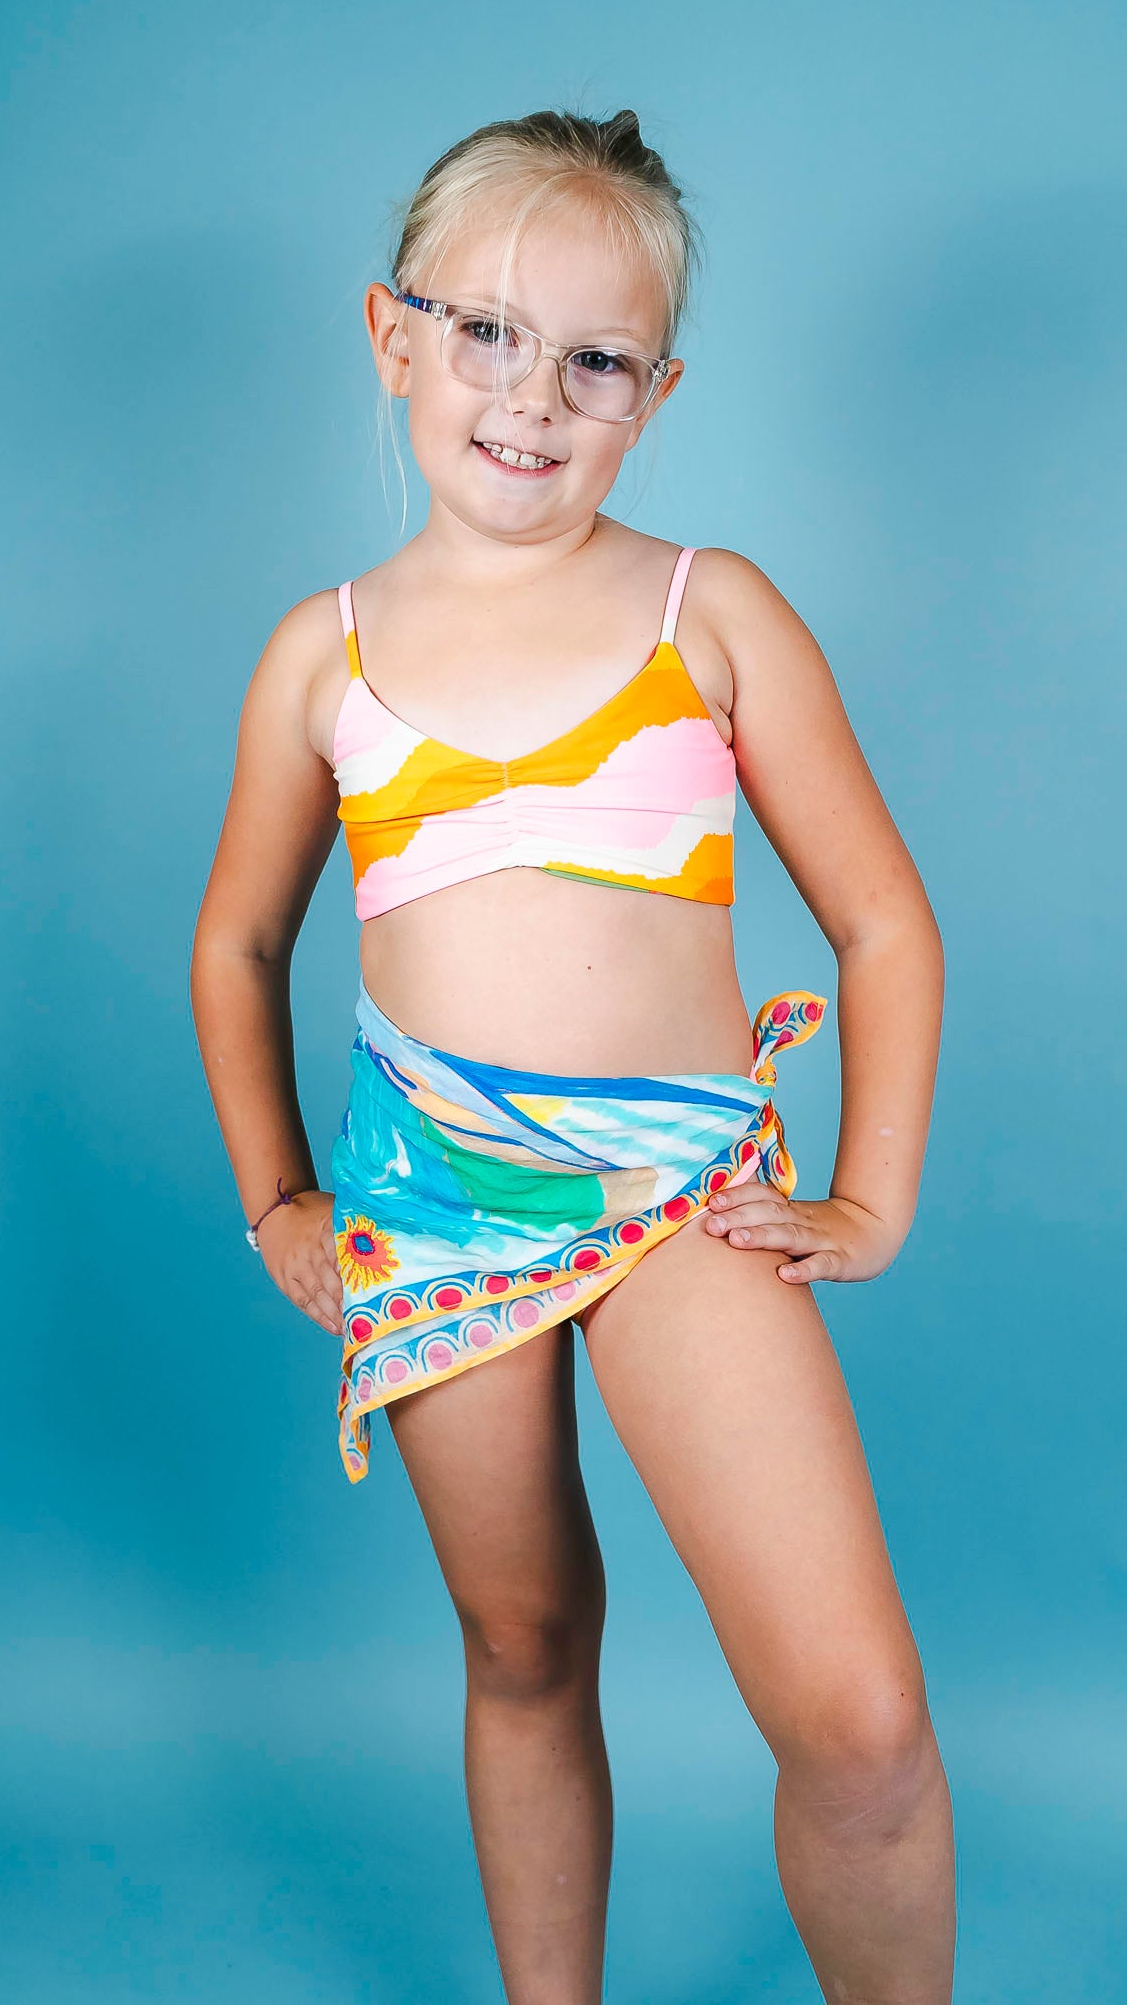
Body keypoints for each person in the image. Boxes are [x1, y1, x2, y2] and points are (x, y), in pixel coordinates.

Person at [190, 106, 954, 2005]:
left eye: (595, 360)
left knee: (856, 1723)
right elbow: (240, 942)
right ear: (392, 335)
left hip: (680, 1187)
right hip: (433, 1203)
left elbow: (881, 921)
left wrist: (869, 1196)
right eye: (485, 334)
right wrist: (278, 1197)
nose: (532, 397)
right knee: (523, 1645)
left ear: (655, 393)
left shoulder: (711, 612)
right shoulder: (322, 656)